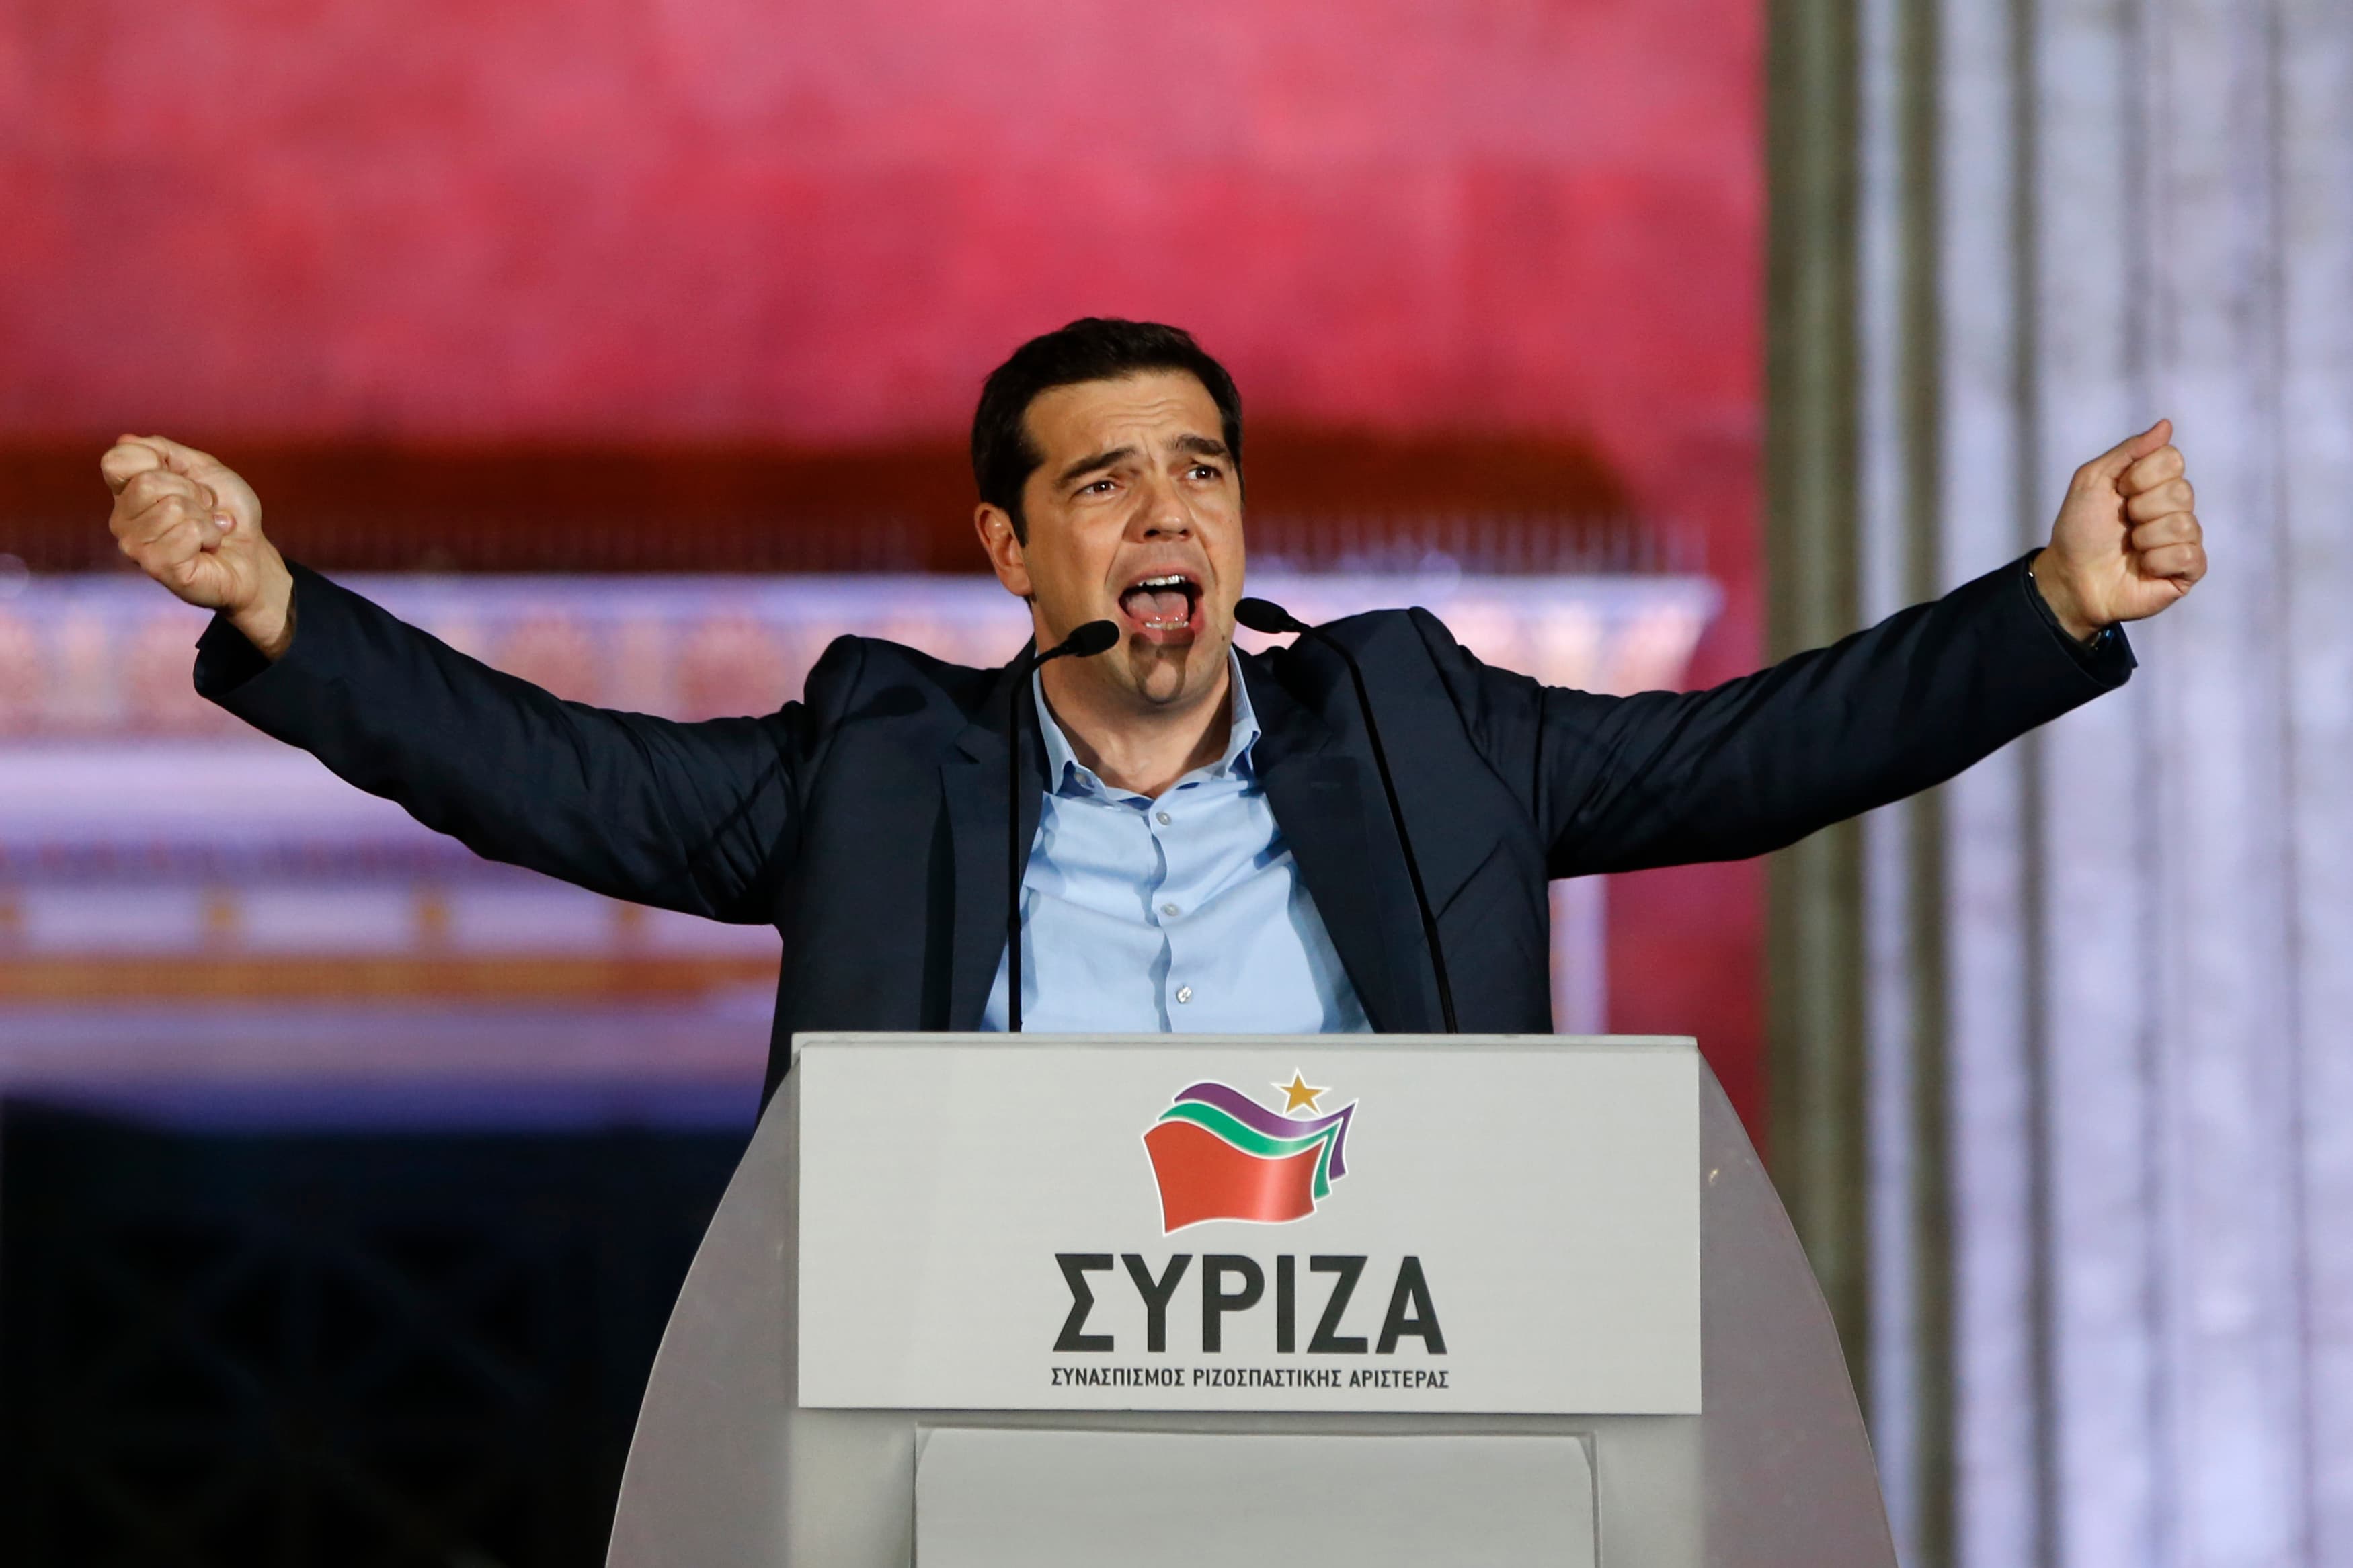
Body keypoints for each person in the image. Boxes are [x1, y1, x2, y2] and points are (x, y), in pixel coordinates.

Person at [100, 319, 2206, 1102]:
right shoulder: (882, 768)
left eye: (1199, 467)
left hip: (1381, 1411)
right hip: (982, 1433)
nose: (1167, 509)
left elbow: (1753, 753)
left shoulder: (1421, 731)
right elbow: (558, 779)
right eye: (1103, 481)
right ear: (1010, 550)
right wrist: (278, 605)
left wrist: (2046, 608)